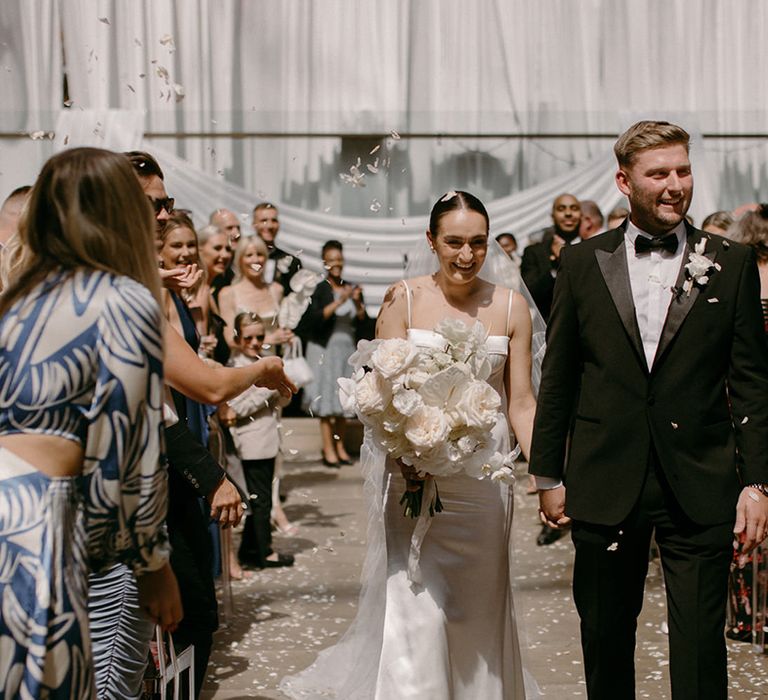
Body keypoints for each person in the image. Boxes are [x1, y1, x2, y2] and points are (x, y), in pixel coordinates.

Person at [530, 120, 768, 699]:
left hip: (703, 480)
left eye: (683, 170)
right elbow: (559, 376)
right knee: (606, 640)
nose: (674, 184)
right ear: (623, 181)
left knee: (700, 648)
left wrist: (757, 483)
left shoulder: (730, 262)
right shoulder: (584, 263)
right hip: (605, 476)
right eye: (658, 173)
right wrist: (547, 474)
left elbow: (752, 382)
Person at [282, 191, 540, 699]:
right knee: (416, 606)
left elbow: (522, 402)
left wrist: (549, 475)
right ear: (431, 241)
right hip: (413, 474)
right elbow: (379, 393)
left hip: (484, 483)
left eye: (478, 244)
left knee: (479, 607)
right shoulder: (402, 297)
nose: (466, 256)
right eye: (454, 243)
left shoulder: (511, 307)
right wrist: (406, 454)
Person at [0, 147, 183, 698]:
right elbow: (130, 446)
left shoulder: (16, 301)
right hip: (39, 519)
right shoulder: (124, 300)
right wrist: (150, 564)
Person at [224, 312, 295, 568]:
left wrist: (283, 389)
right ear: (237, 338)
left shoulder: (263, 361)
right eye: (249, 337)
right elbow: (236, 407)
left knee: (262, 498)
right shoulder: (234, 366)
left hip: (267, 437)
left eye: (260, 337)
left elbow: (282, 400)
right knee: (259, 500)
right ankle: (262, 551)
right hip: (249, 441)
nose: (255, 342)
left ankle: (252, 550)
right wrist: (269, 391)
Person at [297, 240, 369, 466]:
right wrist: (341, 301)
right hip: (325, 350)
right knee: (328, 402)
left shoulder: (351, 287)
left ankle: (340, 447)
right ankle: (328, 448)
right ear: (324, 263)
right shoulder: (320, 289)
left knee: (344, 402)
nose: (336, 263)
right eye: (332, 259)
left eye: (339, 258)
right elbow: (314, 320)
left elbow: (363, 323)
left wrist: (357, 303)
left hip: (346, 349)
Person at [521, 193, 581, 321]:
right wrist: (555, 266)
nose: (568, 213)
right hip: (551, 328)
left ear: (581, 215)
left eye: (574, 208)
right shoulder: (534, 252)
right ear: (553, 216)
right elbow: (530, 294)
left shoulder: (593, 247)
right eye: (561, 209)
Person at [252, 202, 302, 296]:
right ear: (254, 224)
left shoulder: (292, 262)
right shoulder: (243, 259)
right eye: (264, 220)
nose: (270, 226)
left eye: (274, 220)